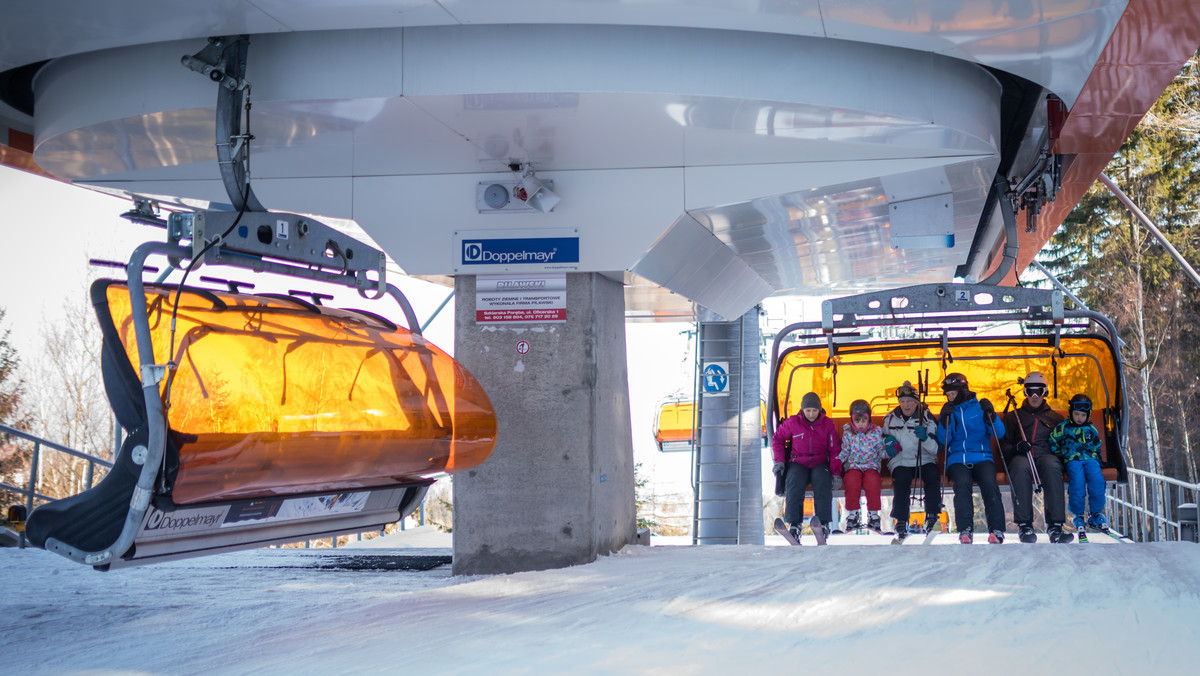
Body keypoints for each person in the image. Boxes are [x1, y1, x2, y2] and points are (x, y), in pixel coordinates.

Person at [1000, 371, 1072, 543]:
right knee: (1019, 467)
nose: (1034, 396)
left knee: (1052, 466)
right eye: (1030, 390)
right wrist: (1016, 447)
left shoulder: (1055, 418)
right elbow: (1003, 445)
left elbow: (1065, 442)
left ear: (1045, 392)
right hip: (1022, 455)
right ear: (1024, 392)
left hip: (1047, 454)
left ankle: (1055, 526)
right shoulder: (1013, 416)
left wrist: (1061, 453)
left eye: (1038, 391)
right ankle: (1025, 525)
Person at [936, 372, 1006, 544]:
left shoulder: (980, 407)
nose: (949, 397)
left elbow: (999, 433)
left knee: (989, 483)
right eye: (947, 394)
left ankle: (996, 529)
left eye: (952, 393)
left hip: (982, 457)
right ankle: (965, 529)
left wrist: (993, 416)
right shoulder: (950, 411)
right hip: (957, 459)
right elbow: (942, 440)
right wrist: (944, 420)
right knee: (962, 484)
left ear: (962, 390)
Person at [772, 391, 842, 541]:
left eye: (814, 411)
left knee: (822, 480)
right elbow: (777, 438)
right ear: (802, 410)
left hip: (820, 461)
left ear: (819, 410)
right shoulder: (793, 422)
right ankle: (795, 524)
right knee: (794, 480)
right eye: (808, 410)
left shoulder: (827, 424)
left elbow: (834, 449)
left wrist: (836, 472)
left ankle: (823, 523)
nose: (811, 414)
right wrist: (779, 462)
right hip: (798, 462)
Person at [883, 381, 941, 539]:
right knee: (901, 480)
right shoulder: (890, 419)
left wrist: (925, 439)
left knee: (932, 476)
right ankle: (901, 520)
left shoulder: (927, 417)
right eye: (902, 401)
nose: (905, 405)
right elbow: (882, 442)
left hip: (924, 459)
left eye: (909, 401)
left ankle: (932, 516)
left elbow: (936, 448)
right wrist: (888, 444)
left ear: (916, 402)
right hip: (901, 461)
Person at [1049, 393, 1108, 532]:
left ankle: (1096, 513)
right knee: (1077, 482)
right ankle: (1078, 514)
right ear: (1071, 413)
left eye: (1083, 415)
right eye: (1076, 414)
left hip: (1090, 459)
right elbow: (1053, 440)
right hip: (1072, 459)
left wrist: (1098, 460)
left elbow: (1096, 445)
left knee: (1097, 480)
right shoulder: (1063, 428)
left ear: (1088, 414)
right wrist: (1059, 453)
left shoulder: (1090, 430)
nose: (1079, 418)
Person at [839, 399, 889, 531]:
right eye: (857, 421)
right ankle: (853, 514)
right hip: (854, 466)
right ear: (852, 420)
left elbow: (881, 452)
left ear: (869, 419)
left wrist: (890, 452)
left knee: (873, 481)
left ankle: (873, 515)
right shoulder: (849, 434)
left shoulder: (876, 433)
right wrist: (838, 460)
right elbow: (845, 451)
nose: (860, 425)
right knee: (851, 480)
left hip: (871, 465)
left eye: (863, 421)